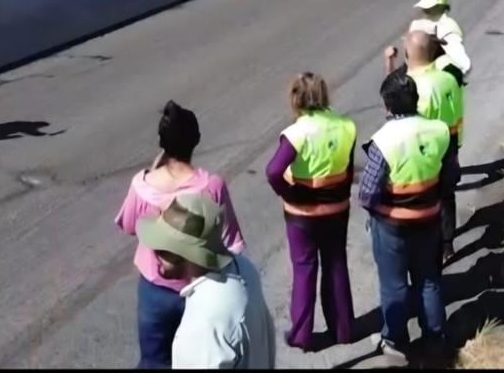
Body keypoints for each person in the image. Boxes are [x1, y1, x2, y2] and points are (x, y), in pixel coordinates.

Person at [115, 101, 246, 369]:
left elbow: (129, 226)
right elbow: (231, 241)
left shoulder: (142, 185)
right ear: (195, 141)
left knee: (154, 360)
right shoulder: (211, 186)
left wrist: (153, 169)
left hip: (155, 290)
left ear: (162, 143)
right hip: (200, 289)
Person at [359, 71, 453, 362]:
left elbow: (367, 192)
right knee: (429, 281)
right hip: (429, 219)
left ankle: (396, 339)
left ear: (387, 106)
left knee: (394, 285)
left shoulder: (384, 141)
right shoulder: (439, 130)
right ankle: (435, 338)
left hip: (392, 225)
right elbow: (451, 174)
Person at [265, 73, 357, 351]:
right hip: (337, 208)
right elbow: (349, 169)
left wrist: (290, 192)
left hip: (301, 215)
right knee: (336, 264)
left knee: (304, 269)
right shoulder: (346, 126)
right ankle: (343, 328)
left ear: (296, 99)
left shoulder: (297, 133)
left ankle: (302, 334)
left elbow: (273, 171)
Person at [137, 194, 275, 369]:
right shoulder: (244, 268)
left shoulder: (203, 325)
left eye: (161, 249)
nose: (154, 254)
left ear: (184, 254)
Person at [401, 32, 464, 264]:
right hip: (449, 144)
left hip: (424, 152)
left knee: (425, 200)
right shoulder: (448, 79)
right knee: (447, 196)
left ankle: (429, 248)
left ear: (409, 54)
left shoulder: (412, 86)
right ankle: (448, 245)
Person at [411, 0, 472, 86]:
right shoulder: (417, 25)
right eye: (425, 9)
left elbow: (462, 63)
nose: (425, 12)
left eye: (428, 9)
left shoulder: (448, 28)